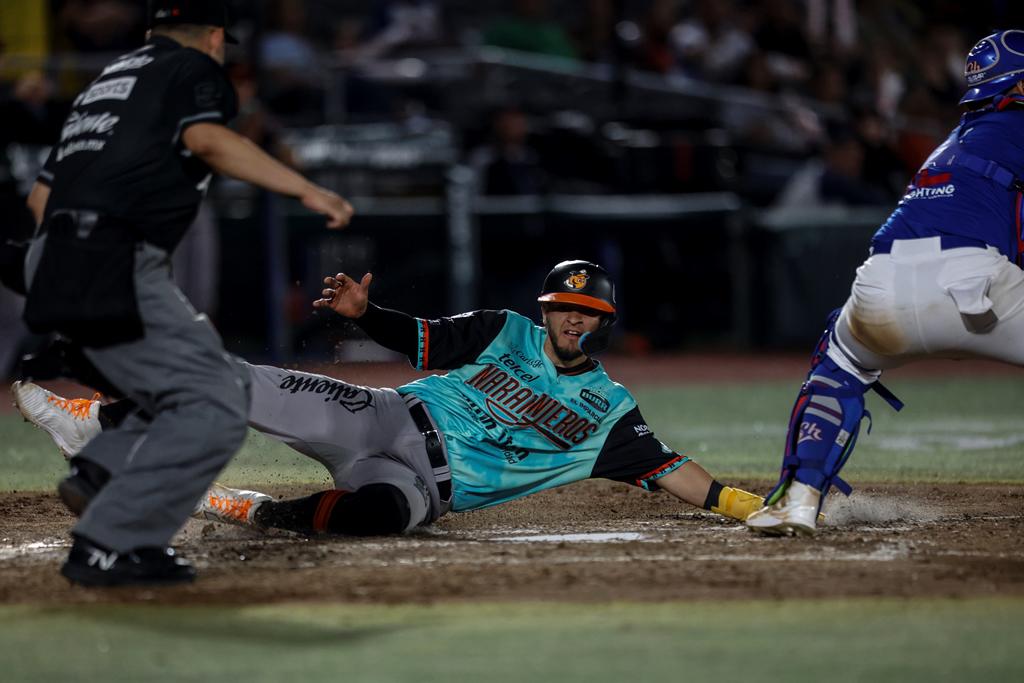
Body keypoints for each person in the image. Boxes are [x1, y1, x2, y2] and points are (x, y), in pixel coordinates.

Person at [15, 260, 767, 540]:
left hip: (420, 488)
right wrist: (364, 319)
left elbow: (674, 469)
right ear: (548, 309)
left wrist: (748, 506)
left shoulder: (608, 411)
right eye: (563, 306)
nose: (571, 317)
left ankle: (250, 509)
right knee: (232, 379)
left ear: (603, 324)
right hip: (374, 415)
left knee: (377, 518)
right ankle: (93, 421)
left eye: (586, 313)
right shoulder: (505, 330)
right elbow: (427, 341)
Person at [13, 0, 354, 587]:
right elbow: (210, 141)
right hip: (112, 258)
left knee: (185, 386)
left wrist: (71, 268)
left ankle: (103, 468)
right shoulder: (190, 69)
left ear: (152, 28)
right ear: (216, 37)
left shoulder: (106, 84)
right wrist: (306, 189)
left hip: (57, 255)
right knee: (220, 400)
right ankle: (109, 541)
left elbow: (41, 200)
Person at [746, 30, 1024, 536]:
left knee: (839, 361)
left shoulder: (952, 141)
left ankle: (797, 498)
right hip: (976, 282)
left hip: (883, 282)